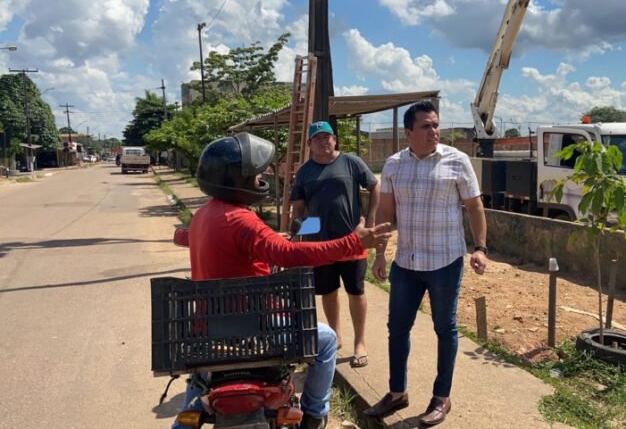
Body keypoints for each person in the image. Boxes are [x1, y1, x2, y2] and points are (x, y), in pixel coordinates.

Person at [173, 133, 392, 429]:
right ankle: (314, 413)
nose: (261, 177)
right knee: (327, 340)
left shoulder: (203, 215)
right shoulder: (241, 219)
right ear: (236, 178)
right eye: (255, 173)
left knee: (201, 377)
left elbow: (239, 243)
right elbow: (289, 255)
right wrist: (353, 243)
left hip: (210, 328)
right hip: (254, 327)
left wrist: (272, 238)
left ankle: (184, 422)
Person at [363, 101, 488, 426]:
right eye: (426, 126)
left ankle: (441, 397)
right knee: (397, 329)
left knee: (445, 328)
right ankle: (397, 392)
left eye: (435, 125)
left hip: (445, 261)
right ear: (409, 132)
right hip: (406, 262)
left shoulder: (457, 160)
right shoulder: (394, 165)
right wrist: (380, 253)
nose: (434, 131)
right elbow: (386, 213)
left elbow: (474, 206)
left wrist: (480, 248)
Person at [290, 121, 380, 368]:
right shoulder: (304, 172)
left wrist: (371, 218)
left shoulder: (351, 162)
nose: (324, 142)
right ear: (309, 144)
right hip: (319, 244)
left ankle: (360, 342)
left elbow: (374, 186)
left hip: (352, 240)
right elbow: (299, 208)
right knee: (328, 291)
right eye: (317, 138)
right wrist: (297, 233)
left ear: (335, 139)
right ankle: (335, 335)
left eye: (327, 137)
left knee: (356, 291)